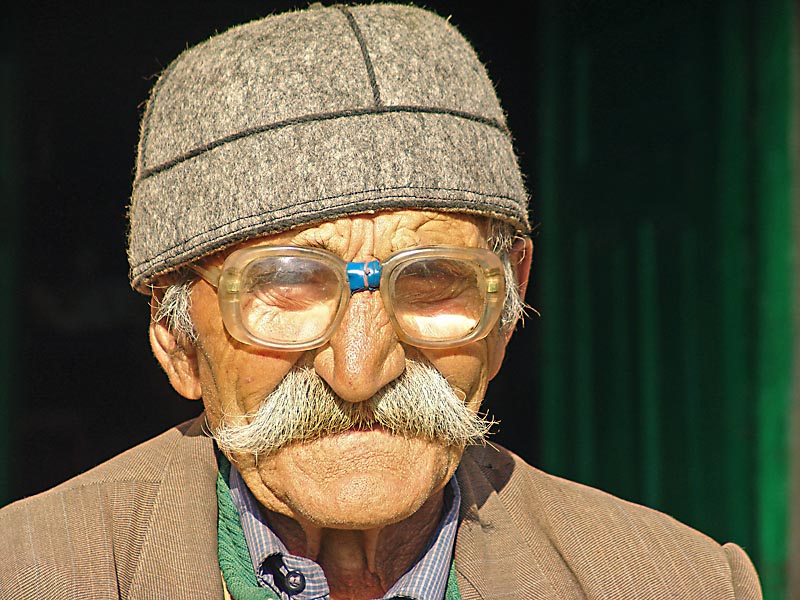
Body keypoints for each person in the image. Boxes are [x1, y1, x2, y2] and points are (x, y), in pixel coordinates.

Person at [0, 4, 762, 599]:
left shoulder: (678, 581)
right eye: (287, 286)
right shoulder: (31, 572)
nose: (361, 372)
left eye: (430, 279)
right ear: (178, 340)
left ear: (509, 302)